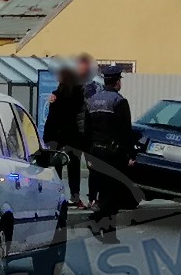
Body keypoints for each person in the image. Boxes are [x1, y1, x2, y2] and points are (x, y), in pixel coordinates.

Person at [85, 65, 135, 231]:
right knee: (113, 191)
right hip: (113, 153)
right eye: (120, 80)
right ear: (117, 82)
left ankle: (104, 225)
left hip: (95, 151)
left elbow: (86, 129)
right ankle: (101, 222)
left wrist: (87, 153)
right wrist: (130, 154)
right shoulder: (119, 102)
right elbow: (125, 131)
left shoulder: (92, 101)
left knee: (102, 189)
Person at [43, 65, 88, 208]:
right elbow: (82, 117)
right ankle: (75, 197)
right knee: (74, 169)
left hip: (57, 137)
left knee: (56, 167)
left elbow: (51, 119)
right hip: (74, 137)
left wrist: (47, 137)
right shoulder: (79, 95)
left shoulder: (56, 96)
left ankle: (57, 197)